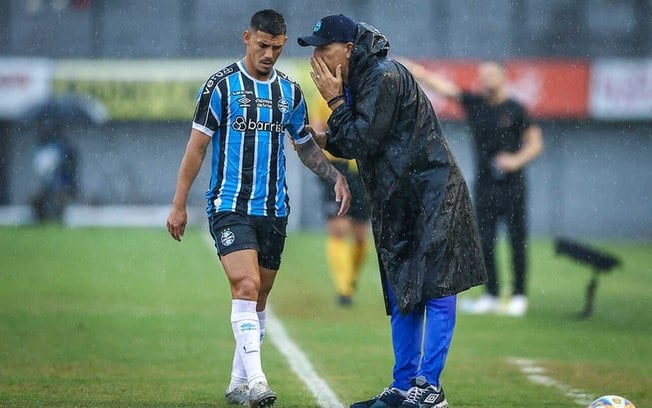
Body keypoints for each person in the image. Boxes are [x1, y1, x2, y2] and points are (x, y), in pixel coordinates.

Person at [298, 15, 487, 408]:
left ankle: (429, 390)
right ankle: (403, 387)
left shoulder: (383, 75)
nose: (316, 57)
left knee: (436, 287)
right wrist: (326, 134)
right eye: (313, 49)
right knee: (403, 291)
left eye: (322, 47)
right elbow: (357, 138)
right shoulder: (359, 78)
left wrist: (333, 104)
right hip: (397, 198)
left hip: (431, 194)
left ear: (348, 49)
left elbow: (361, 140)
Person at [166, 10, 350, 408]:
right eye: (263, 45)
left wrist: (334, 175)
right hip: (229, 205)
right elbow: (196, 149)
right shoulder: (220, 87)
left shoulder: (290, 91)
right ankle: (259, 381)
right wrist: (179, 204)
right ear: (247, 38)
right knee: (245, 285)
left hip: (274, 209)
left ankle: (237, 382)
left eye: (277, 48)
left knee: (258, 297)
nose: (269, 54)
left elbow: (303, 145)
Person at [408, 61, 544, 317]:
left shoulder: (516, 109)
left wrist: (516, 160)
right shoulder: (475, 104)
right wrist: (419, 73)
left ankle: (518, 295)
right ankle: (491, 295)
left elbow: (536, 143)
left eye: (491, 75)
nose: (485, 79)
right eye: (482, 75)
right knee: (484, 241)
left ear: (503, 77)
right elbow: (446, 89)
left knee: (517, 240)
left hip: (513, 186)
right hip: (484, 185)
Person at [311, 99, 370, 307]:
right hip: (335, 165)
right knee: (338, 229)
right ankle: (343, 290)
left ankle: (350, 278)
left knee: (361, 235)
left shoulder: (366, 90)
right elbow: (316, 128)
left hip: (361, 168)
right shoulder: (324, 93)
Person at [31, 123, 78, 223]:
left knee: (59, 201)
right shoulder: (51, 150)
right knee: (46, 201)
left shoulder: (62, 150)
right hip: (53, 184)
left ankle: (56, 219)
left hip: (62, 184)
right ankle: (47, 219)